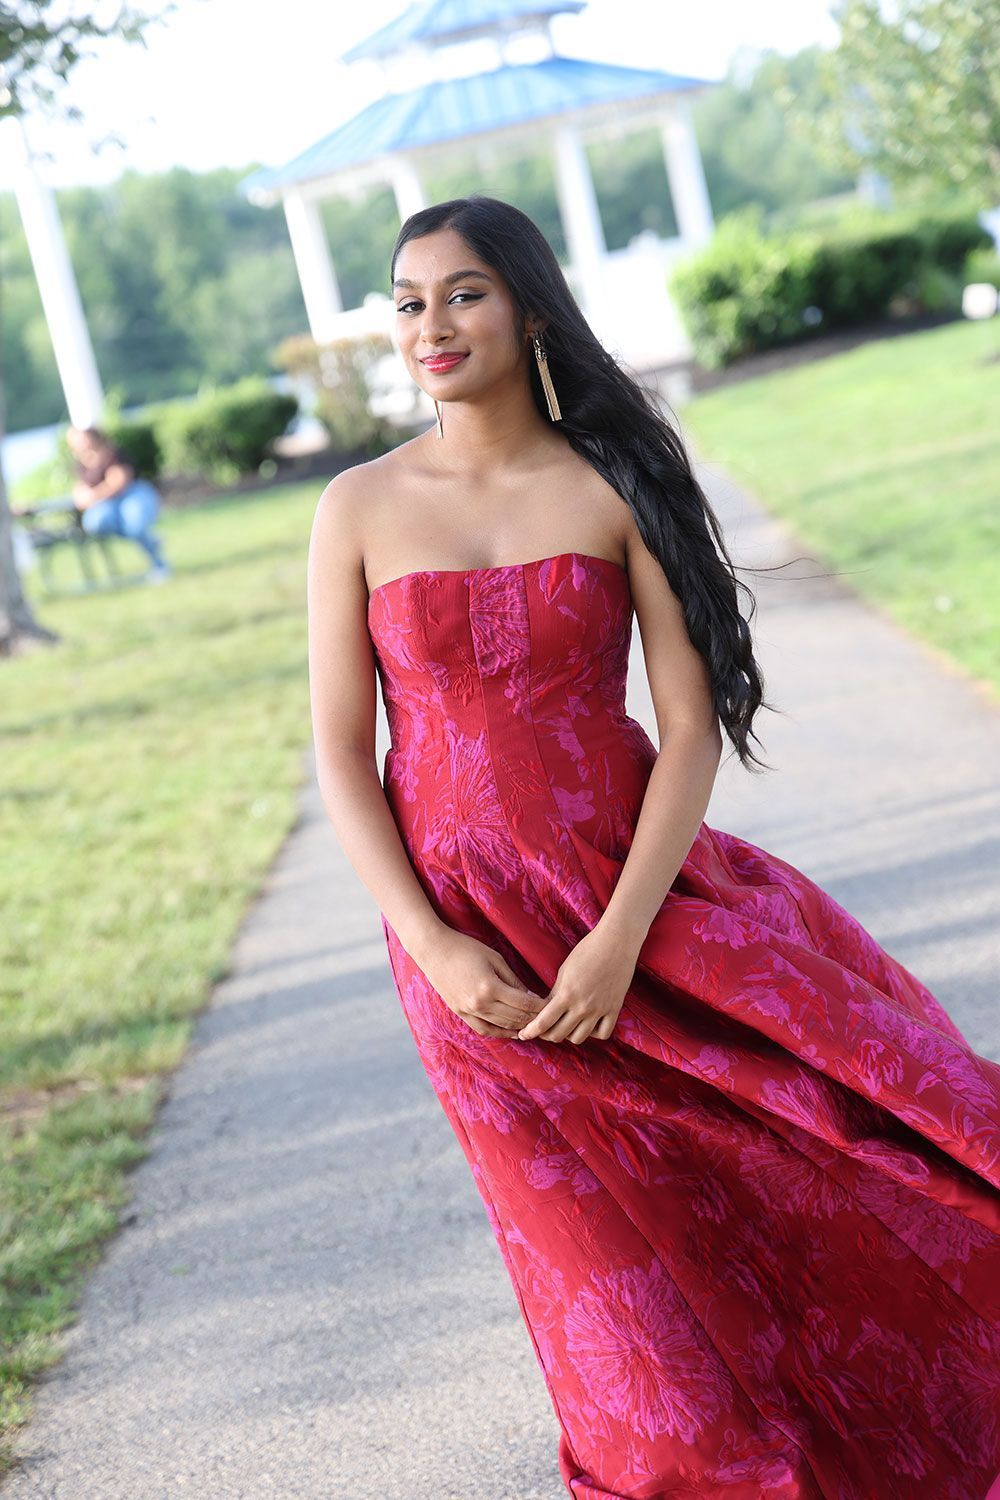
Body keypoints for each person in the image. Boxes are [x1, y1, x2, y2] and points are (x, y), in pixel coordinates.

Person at [306, 196, 1000, 1498]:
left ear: (525, 302)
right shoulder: (355, 507)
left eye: (462, 292)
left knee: (820, 1168)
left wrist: (620, 937)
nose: (431, 324)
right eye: (408, 301)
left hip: (644, 915)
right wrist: (437, 948)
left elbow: (687, 731)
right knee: (620, 1319)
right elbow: (345, 755)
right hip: (474, 965)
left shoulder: (608, 482)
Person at [66, 425, 172, 583]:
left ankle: (160, 564)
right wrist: (84, 497)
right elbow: (80, 492)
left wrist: (93, 495)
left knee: (135, 524)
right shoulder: (81, 465)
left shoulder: (112, 455)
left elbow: (118, 482)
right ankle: (150, 539)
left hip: (131, 495)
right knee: (96, 522)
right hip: (106, 505)